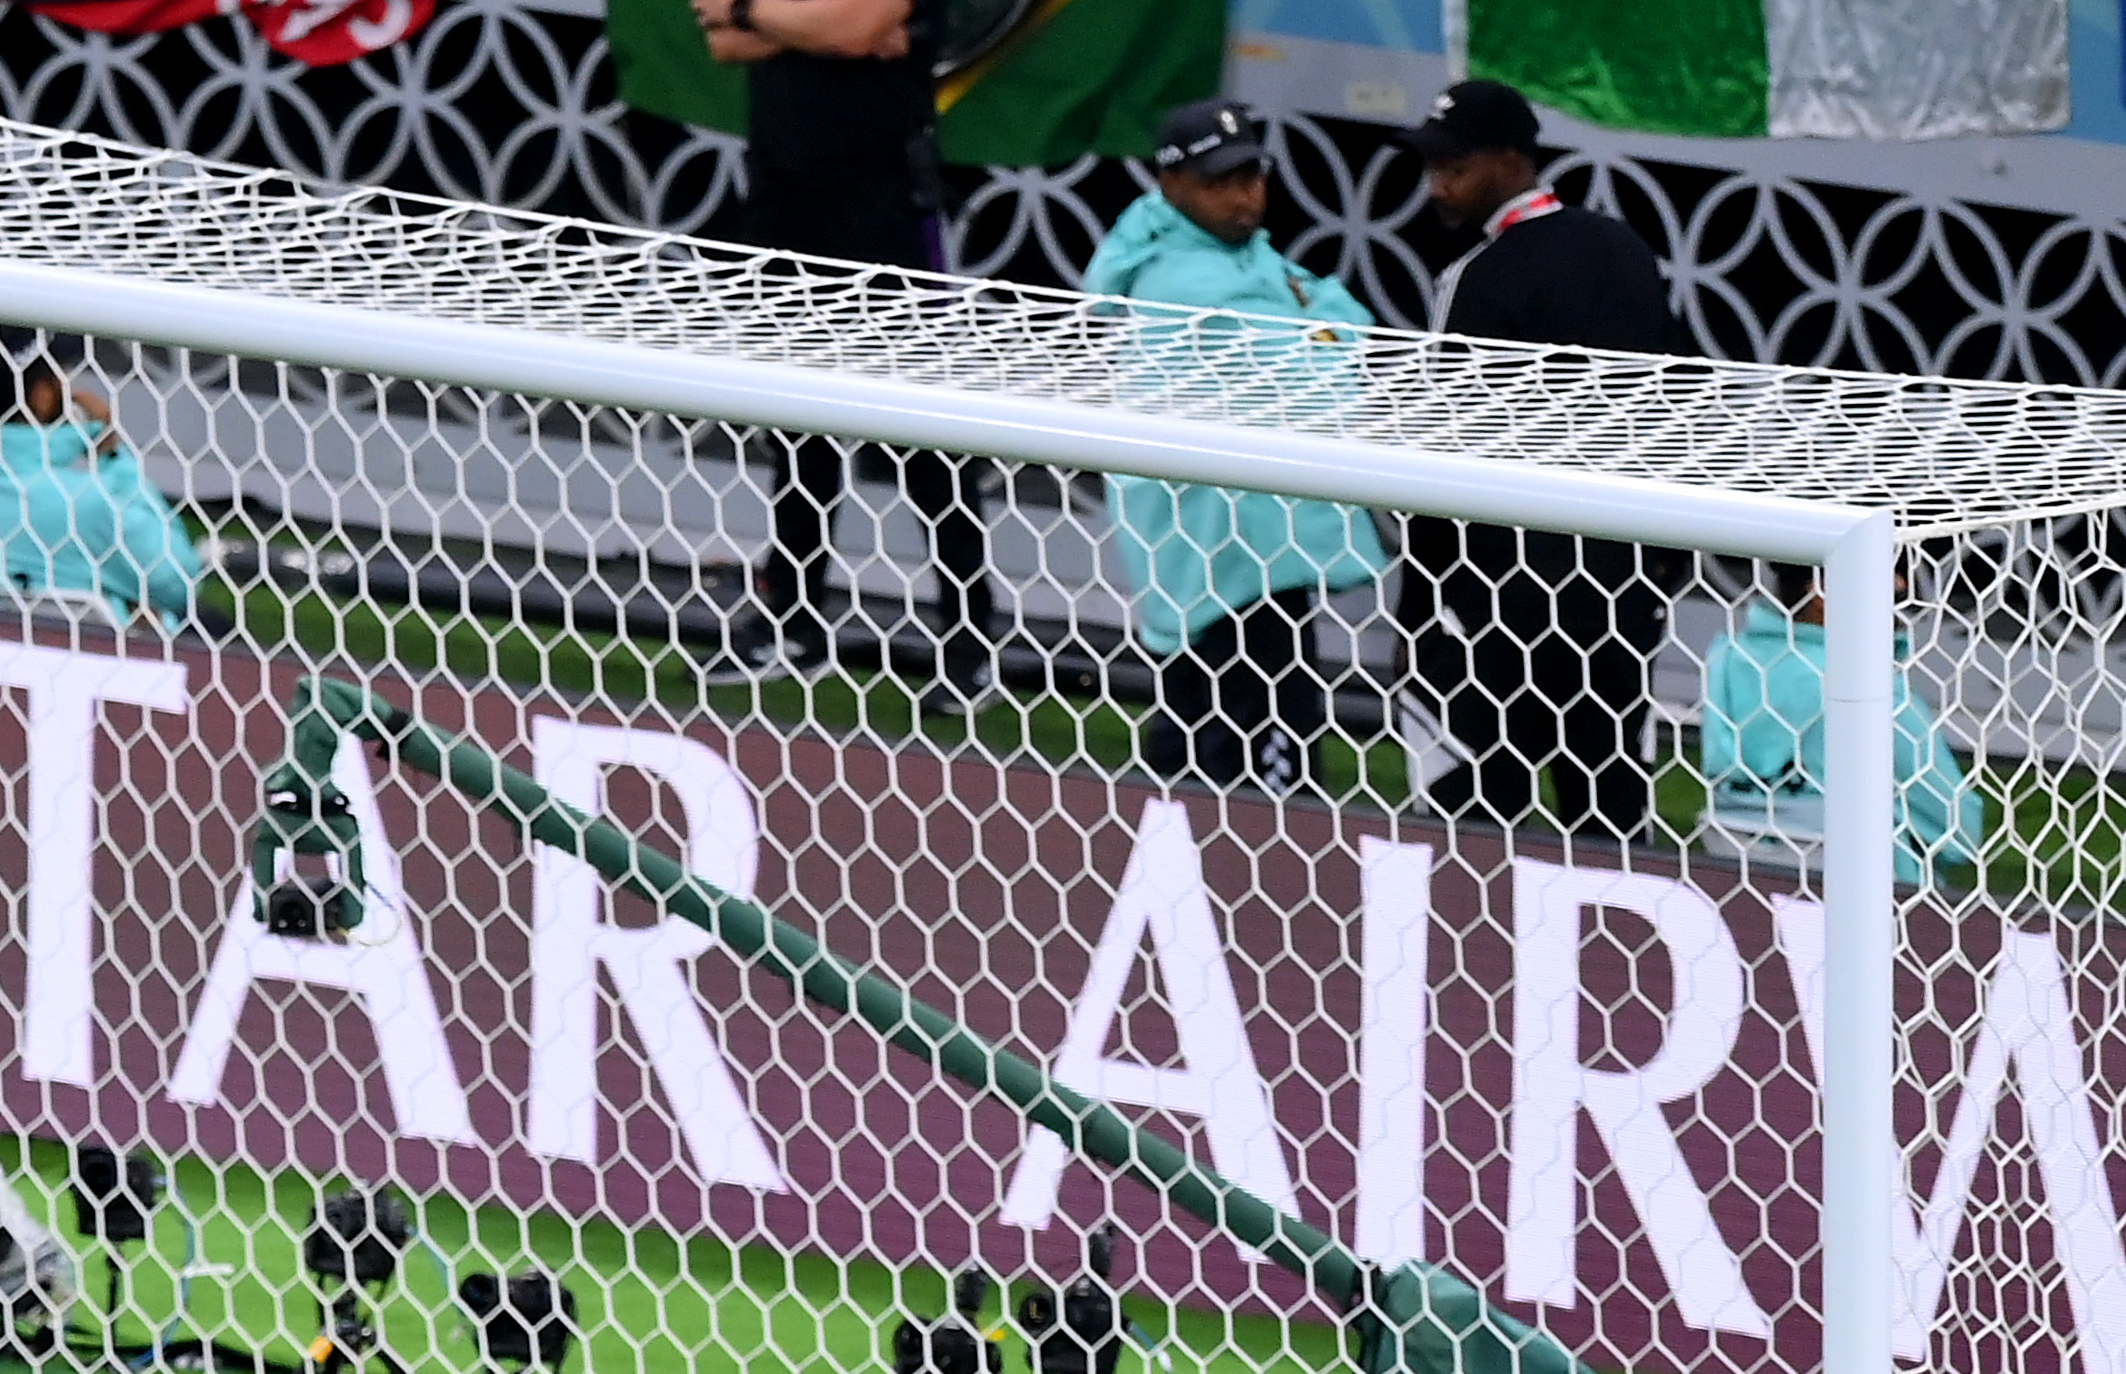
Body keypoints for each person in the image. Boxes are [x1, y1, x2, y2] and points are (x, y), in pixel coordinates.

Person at [1397, 78, 1695, 837]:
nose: (1439, 184)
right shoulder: (1627, 252)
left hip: (1506, 595)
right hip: (1619, 587)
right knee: (1612, 816)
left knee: (1471, 820)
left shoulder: (1475, 279)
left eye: (1453, 165)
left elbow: (1444, 452)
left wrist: (1423, 602)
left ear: (1507, 160)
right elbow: (1678, 402)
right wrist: (1661, 563)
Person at [690, 0, 1005, 687]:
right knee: (798, 432)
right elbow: (720, 38)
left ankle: (969, 638)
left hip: (882, 211)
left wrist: (760, 14)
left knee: (926, 439)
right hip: (784, 199)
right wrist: (816, 31)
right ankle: (793, 624)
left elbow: (851, 28)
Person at [1079, 98, 1383, 794]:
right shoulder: (1176, 285)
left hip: (1258, 548)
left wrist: (1322, 332)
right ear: (1171, 185)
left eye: (1251, 175)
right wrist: (1320, 329)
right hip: (1221, 548)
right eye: (1220, 180)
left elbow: (1348, 332)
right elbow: (1321, 360)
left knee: (1200, 739)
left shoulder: (1245, 257)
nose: (1243, 195)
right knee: (1247, 762)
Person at [1700, 555, 1996, 889]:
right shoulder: (1867, 689)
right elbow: (1958, 832)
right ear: (1821, 593)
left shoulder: (1727, 658)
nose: (1900, 585)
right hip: (1873, 909)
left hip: (1738, 887)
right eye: (1884, 571)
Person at [0, 331, 213, 621]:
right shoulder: (87, 502)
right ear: (41, 394)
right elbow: (177, 584)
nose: (69, 384)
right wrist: (110, 456)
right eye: (61, 373)